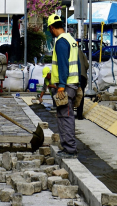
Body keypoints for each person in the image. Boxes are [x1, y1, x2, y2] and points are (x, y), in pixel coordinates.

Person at [48, 14, 81, 159]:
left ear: (52, 27)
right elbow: (77, 63)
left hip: (66, 86)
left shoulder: (61, 42)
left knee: (65, 116)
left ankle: (70, 149)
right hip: (72, 84)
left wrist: (61, 86)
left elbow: (63, 65)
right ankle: (67, 147)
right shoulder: (71, 40)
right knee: (64, 115)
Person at [76, 48, 89, 120]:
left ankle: (69, 114)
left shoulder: (67, 50)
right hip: (82, 76)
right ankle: (79, 115)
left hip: (72, 77)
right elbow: (86, 65)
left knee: (71, 95)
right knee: (80, 95)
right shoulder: (80, 51)